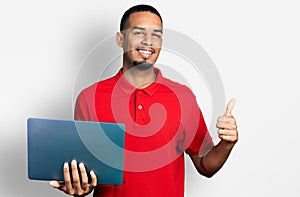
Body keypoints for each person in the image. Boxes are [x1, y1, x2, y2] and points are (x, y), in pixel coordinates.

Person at [49, 4, 238, 197]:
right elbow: (84, 173)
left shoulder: (183, 97)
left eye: (156, 35)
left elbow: (206, 165)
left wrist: (227, 143)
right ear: (120, 39)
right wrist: (81, 188)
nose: (149, 41)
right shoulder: (88, 99)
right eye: (139, 33)